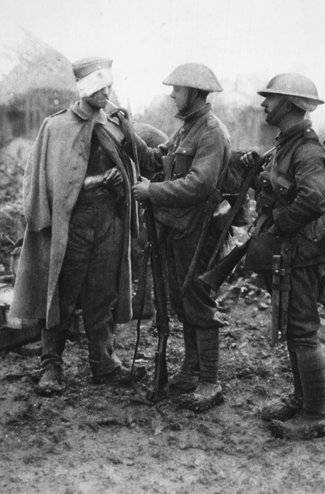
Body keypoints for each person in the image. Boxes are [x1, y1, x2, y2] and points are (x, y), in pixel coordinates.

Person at [11, 56, 137, 395]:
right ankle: (51, 366)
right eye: (99, 87)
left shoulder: (113, 124)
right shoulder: (57, 127)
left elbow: (133, 167)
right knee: (61, 296)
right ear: (84, 89)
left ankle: (104, 363)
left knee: (101, 296)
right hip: (72, 224)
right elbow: (46, 182)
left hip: (108, 221)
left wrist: (119, 181)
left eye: (108, 86)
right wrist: (94, 182)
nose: (106, 93)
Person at [117, 63, 233, 412]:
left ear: (195, 94)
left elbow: (201, 183)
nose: (172, 94)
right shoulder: (187, 130)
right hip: (179, 229)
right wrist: (128, 132)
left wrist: (152, 191)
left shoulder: (212, 132)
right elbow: (155, 158)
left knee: (198, 301)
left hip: (199, 232)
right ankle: (192, 370)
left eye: (177, 90)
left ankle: (210, 382)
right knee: (182, 300)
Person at [241, 73, 325, 439]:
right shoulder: (286, 145)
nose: (265, 104)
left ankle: (316, 415)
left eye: (271, 99)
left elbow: (313, 198)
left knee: (303, 332)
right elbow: (282, 190)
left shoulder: (308, 150)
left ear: (289, 104)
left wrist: (279, 224)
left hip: (302, 253)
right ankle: (301, 399)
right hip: (289, 252)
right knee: (295, 331)